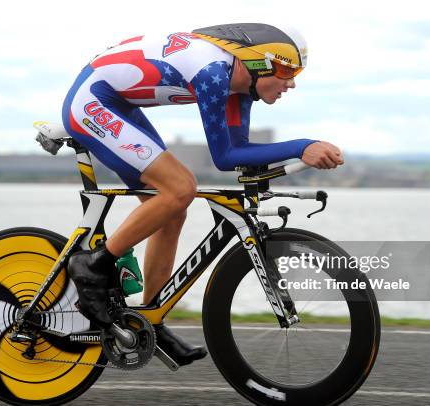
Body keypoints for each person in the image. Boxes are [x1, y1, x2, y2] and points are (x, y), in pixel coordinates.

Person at [63, 23, 344, 366]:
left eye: (296, 73)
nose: (292, 82)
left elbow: (238, 150)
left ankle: (151, 316)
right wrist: (303, 146)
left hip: (116, 104)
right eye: (286, 70)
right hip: (93, 102)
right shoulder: (213, 73)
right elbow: (224, 156)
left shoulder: (240, 86)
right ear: (256, 64)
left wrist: (299, 155)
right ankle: (92, 266)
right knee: (181, 188)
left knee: (172, 207)